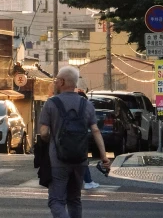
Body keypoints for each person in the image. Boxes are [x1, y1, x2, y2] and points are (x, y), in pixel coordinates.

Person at [39, 65, 110, 217]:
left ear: (62, 82)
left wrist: (50, 141)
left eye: (57, 79)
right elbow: (96, 130)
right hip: (80, 159)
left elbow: (44, 132)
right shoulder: (87, 104)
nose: (55, 82)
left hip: (58, 160)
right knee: (74, 199)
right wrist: (104, 157)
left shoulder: (51, 103)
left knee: (56, 201)